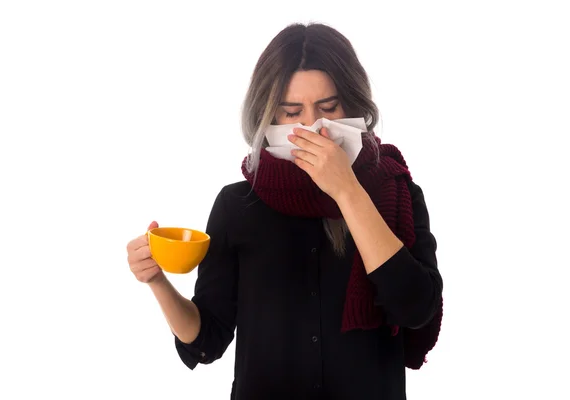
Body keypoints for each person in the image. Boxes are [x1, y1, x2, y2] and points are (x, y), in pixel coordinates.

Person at [126, 22, 443, 400]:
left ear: (354, 106)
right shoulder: (236, 206)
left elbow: (416, 310)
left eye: (328, 107)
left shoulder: (395, 192)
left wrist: (347, 190)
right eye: (292, 112)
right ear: (269, 117)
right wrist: (158, 282)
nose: (311, 126)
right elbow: (206, 340)